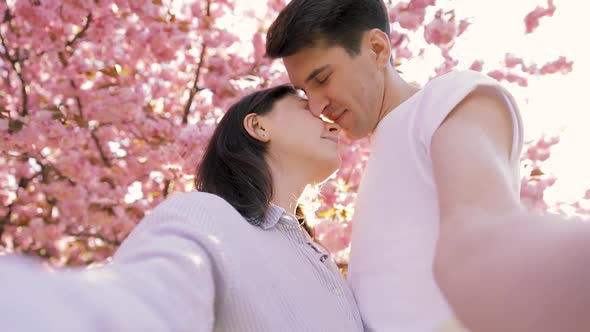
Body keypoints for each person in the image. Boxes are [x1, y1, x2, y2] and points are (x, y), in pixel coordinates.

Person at [265, 1, 590, 331]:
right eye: (305, 92)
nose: (317, 105)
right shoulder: (383, 154)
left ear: (377, 49)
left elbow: (478, 231)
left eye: (322, 79)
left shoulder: (446, 99)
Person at [0, 85, 364, 331]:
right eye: (305, 108)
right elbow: (142, 303)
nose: (330, 124)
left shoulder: (320, 257)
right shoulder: (207, 218)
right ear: (257, 126)